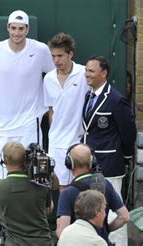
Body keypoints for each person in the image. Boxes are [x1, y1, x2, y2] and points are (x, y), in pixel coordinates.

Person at [0, 9, 54, 246]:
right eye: (13, 28)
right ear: (8, 28)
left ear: (27, 30)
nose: (17, 33)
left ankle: (29, 234)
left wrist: (53, 118)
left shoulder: (40, 50)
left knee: (34, 180)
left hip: (30, 128)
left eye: (22, 29)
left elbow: (54, 81)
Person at [82, 55, 136, 245]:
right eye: (86, 70)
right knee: (96, 209)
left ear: (103, 73)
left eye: (91, 71)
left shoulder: (116, 99)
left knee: (114, 209)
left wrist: (126, 157)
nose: (87, 74)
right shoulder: (89, 94)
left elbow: (128, 132)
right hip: (92, 163)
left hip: (111, 164)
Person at [56, 143, 130, 244]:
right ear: (92, 162)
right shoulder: (106, 184)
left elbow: (62, 231)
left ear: (69, 163)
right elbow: (124, 216)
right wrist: (105, 230)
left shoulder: (67, 193)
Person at [43, 33, 89, 190]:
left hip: (79, 143)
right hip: (56, 143)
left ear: (70, 54)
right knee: (62, 188)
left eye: (60, 56)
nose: (56, 60)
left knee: (82, 187)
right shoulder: (48, 79)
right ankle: (63, 216)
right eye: (53, 56)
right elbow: (51, 111)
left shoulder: (84, 74)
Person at [0, 141, 53, 246]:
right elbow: (49, 209)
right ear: (26, 159)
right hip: (42, 242)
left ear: (4, 160)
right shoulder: (42, 185)